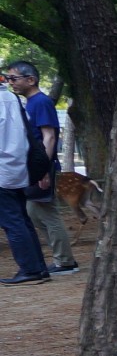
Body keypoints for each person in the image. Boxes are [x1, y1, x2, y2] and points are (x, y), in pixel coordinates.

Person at [6, 63, 74, 273]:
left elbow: (49, 136)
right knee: (34, 211)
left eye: (14, 78)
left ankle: (65, 261)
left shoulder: (41, 102)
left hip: (42, 167)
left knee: (46, 212)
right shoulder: (30, 103)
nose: (11, 83)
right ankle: (62, 258)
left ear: (31, 80)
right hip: (34, 168)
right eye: (8, 79)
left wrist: (43, 169)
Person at [0, 85, 49, 286]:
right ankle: (39, 267)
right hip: (18, 166)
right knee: (21, 218)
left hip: (4, 169)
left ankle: (30, 269)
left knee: (12, 221)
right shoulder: (10, 97)